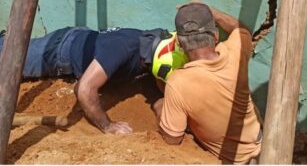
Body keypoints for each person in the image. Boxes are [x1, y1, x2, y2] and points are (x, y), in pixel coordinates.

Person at [0, 26, 187, 134]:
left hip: (84, 45)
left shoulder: (151, 57)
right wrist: (107, 126)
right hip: (61, 49)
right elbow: (83, 90)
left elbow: (160, 102)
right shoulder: (122, 48)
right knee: (9, 58)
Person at [152, 0, 262, 164]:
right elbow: (240, 30)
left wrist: (159, 107)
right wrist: (211, 11)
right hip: (262, 145)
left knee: (161, 104)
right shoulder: (236, 51)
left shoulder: (178, 83)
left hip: (234, 161)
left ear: (180, 45)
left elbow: (172, 139)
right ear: (216, 36)